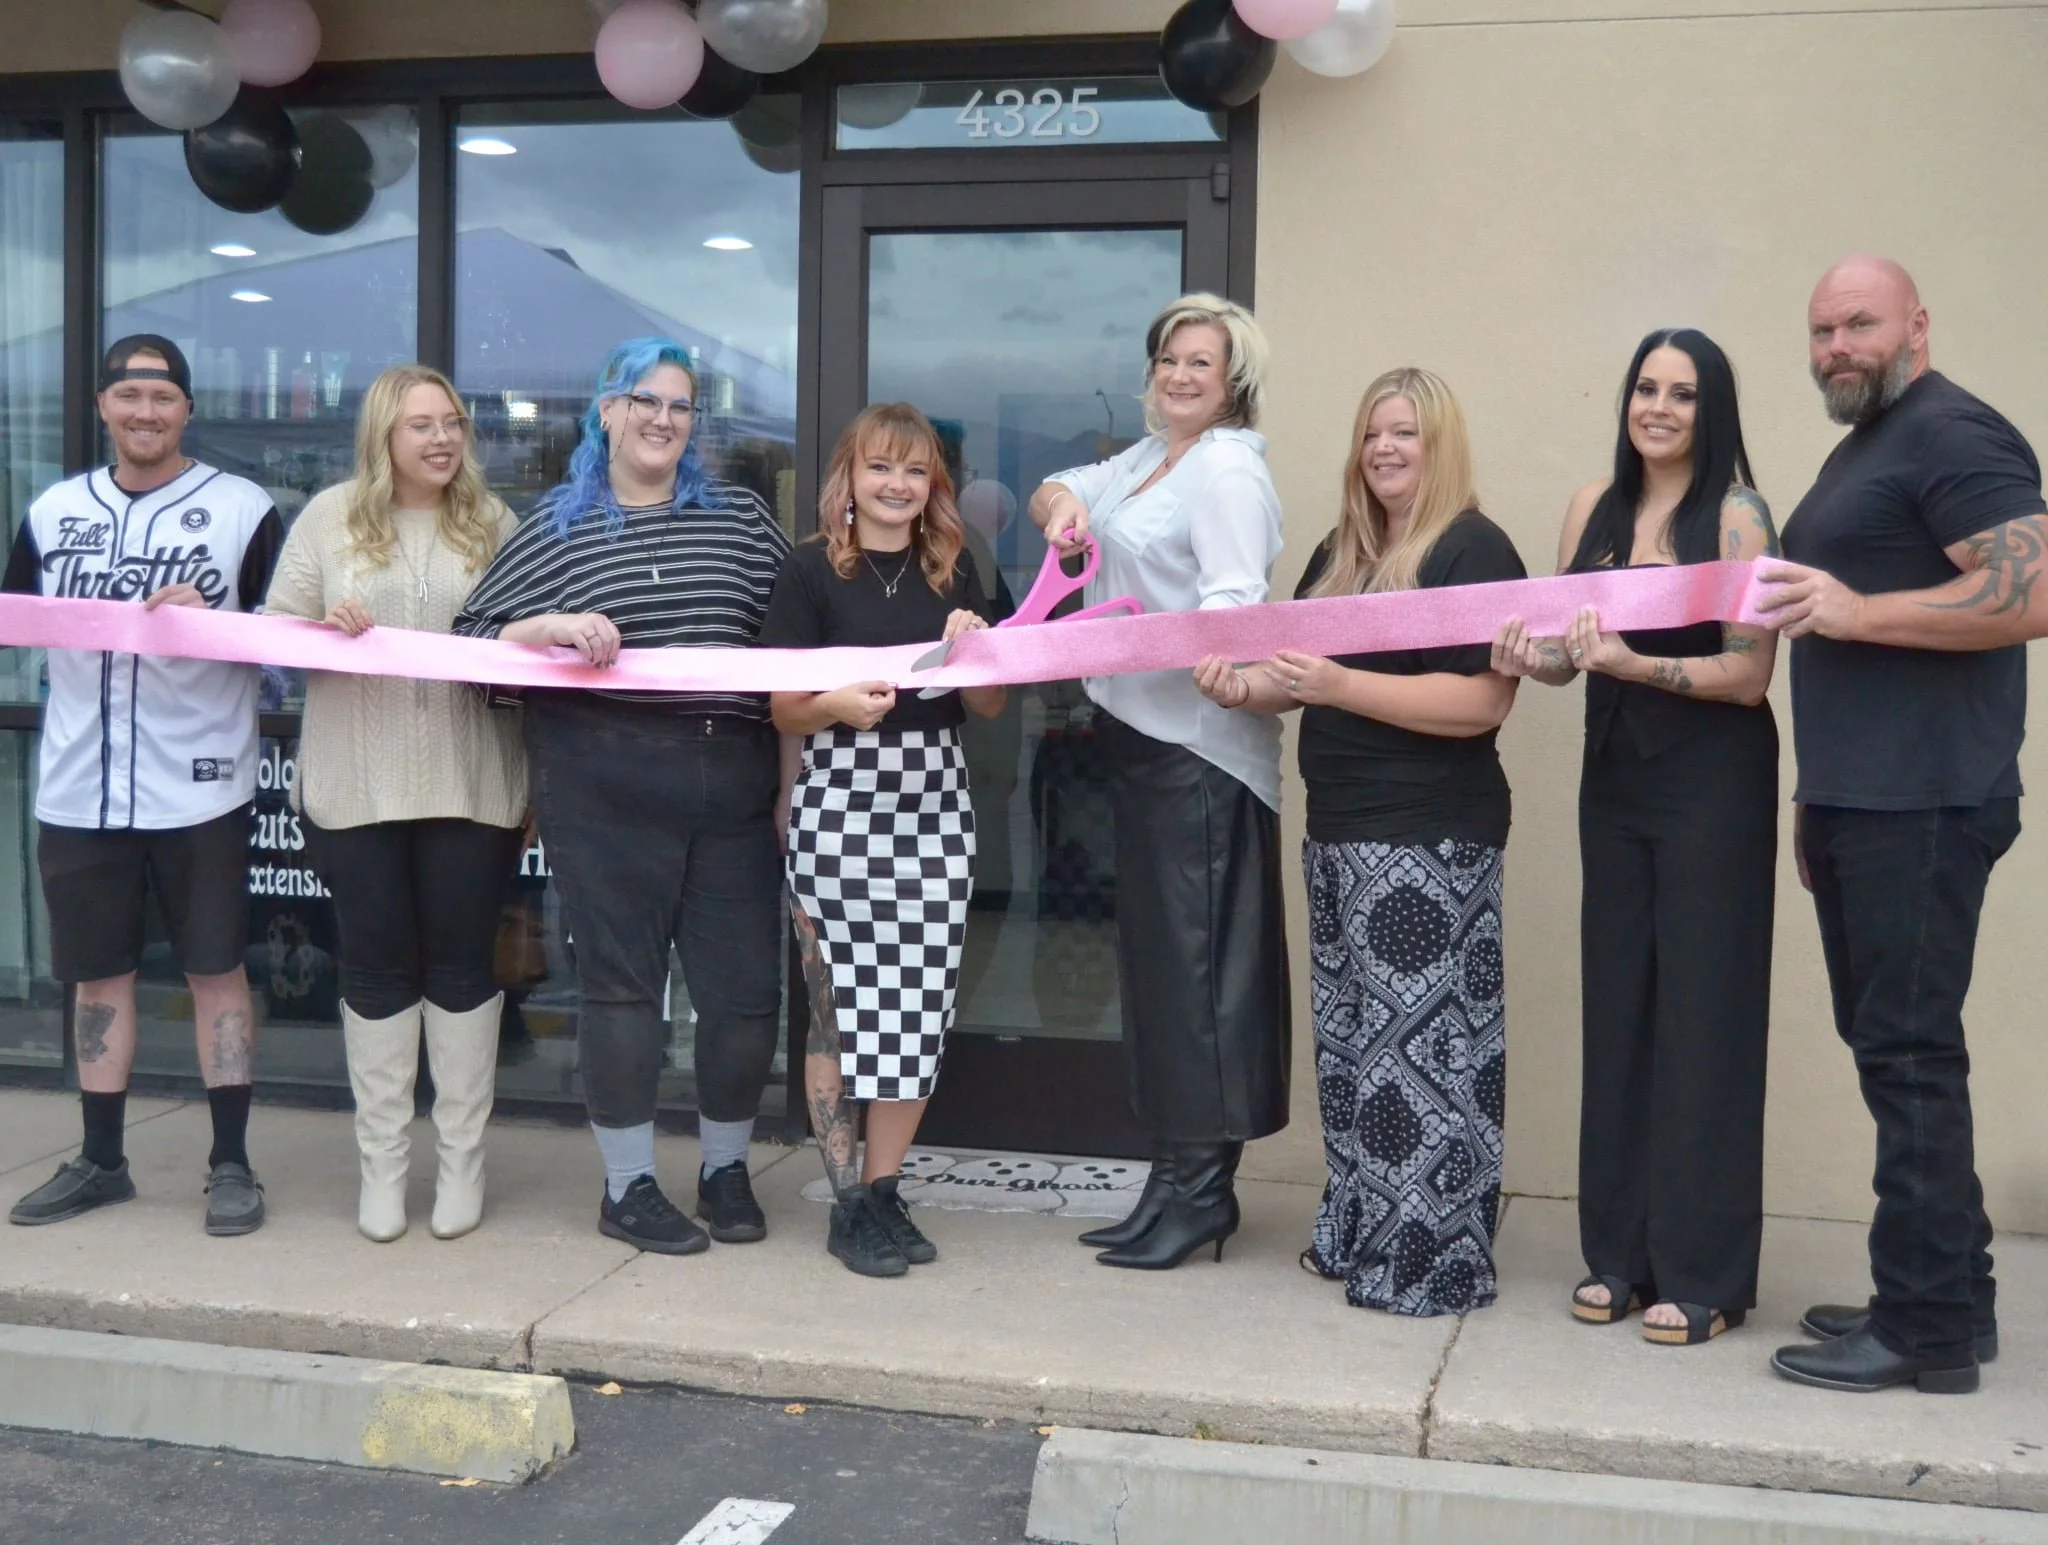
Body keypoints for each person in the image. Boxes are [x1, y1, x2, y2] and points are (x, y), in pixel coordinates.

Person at [1757, 257, 2048, 1394]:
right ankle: (1945, 1296)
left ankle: (1923, 1334)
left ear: (1915, 323)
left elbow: (2026, 593)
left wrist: (1857, 608)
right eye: (1821, 327)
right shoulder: (1878, 438)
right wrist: (1813, 798)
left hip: (1923, 803)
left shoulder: (1953, 434)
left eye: (1858, 324)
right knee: (1899, 1056)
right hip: (1863, 803)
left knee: (1909, 1059)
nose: (1836, 345)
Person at [454, 337, 792, 1256]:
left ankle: (725, 1168)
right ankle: (627, 1184)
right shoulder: (553, 529)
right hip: (599, 780)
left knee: (743, 993)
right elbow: (473, 642)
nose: (661, 419)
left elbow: (800, 643)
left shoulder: (741, 521)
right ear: (605, 411)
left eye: (680, 406)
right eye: (644, 401)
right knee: (622, 993)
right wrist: (552, 625)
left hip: (730, 775)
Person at [1199, 368, 1525, 1314]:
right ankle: (1362, 1231)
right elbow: (1294, 678)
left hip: (1429, 840)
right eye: (1373, 432)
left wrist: (1340, 686)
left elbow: (1480, 701)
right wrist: (1239, 687)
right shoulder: (1342, 550)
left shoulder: (1473, 549)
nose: (1384, 447)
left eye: (1406, 433)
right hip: (1339, 833)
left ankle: (1431, 1261)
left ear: (1441, 445)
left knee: (1420, 1065)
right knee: (1353, 1054)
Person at [1493, 330, 1779, 1345]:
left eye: (1682, 393)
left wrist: (1620, 663)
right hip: (1612, 780)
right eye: (1644, 387)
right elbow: (1574, 655)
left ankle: (1702, 1277)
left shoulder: (1738, 516)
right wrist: (1534, 657)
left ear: (1712, 410)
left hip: (1711, 784)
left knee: (1702, 1017)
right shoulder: (1591, 508)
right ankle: (1615, 1256)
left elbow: (1747, 677)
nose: (1657, 406)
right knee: (1617, 1007)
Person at [1032, 292, 1289, 1272]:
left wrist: (1168, 642)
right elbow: (1068, 485)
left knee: (1197, 981)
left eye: (1202, 364)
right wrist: (1061, 512)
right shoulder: (1147, 461)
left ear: (1232, 385)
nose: (1182, 376)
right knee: (1158, 978)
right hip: (1136, 749)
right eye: (1170, 360)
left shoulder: (1226, 472)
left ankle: (1200, 1192)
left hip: (1199, 755)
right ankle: (1170, 1174)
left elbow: (1230, 609)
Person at [5, 335, 281, 1236]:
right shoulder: (53, 511)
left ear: (187, 411)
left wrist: (223, 625)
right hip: (81, 785)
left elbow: (290, 652)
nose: (146, 412)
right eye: (129, 396)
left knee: (215, 971)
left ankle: (232, 1162)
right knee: (97, 977)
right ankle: (101, 1158)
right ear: (102, 407)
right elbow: (15, 623)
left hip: (199, 783)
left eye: (163, 398)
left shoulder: (242, 508)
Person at [263, 365, 525, 1243]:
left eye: (452, 422)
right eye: (421, 425)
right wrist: (319, 632)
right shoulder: (328, 517)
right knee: (374, 972)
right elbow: (272, 637)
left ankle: (462, 1166)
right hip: (355, 783)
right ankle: (383, 1170)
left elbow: (530, 650)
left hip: (472, 779)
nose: (442, 439)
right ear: (383, 435)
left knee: (459, 971)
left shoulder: (494, 524)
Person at [761, 403, 1004, 1277]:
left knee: (917, 1006)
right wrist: (830, 705)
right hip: (838, 800)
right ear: (850, 479)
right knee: (837, 1005)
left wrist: (975, 656)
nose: (897, 485)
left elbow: (990, 706)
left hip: (935, 800)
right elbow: (780, 705)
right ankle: (845, 1201)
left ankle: (887, 1188)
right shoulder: (808, 571)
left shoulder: (957, 568)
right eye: (880, 468)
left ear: (934, 485)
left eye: (914, 471)